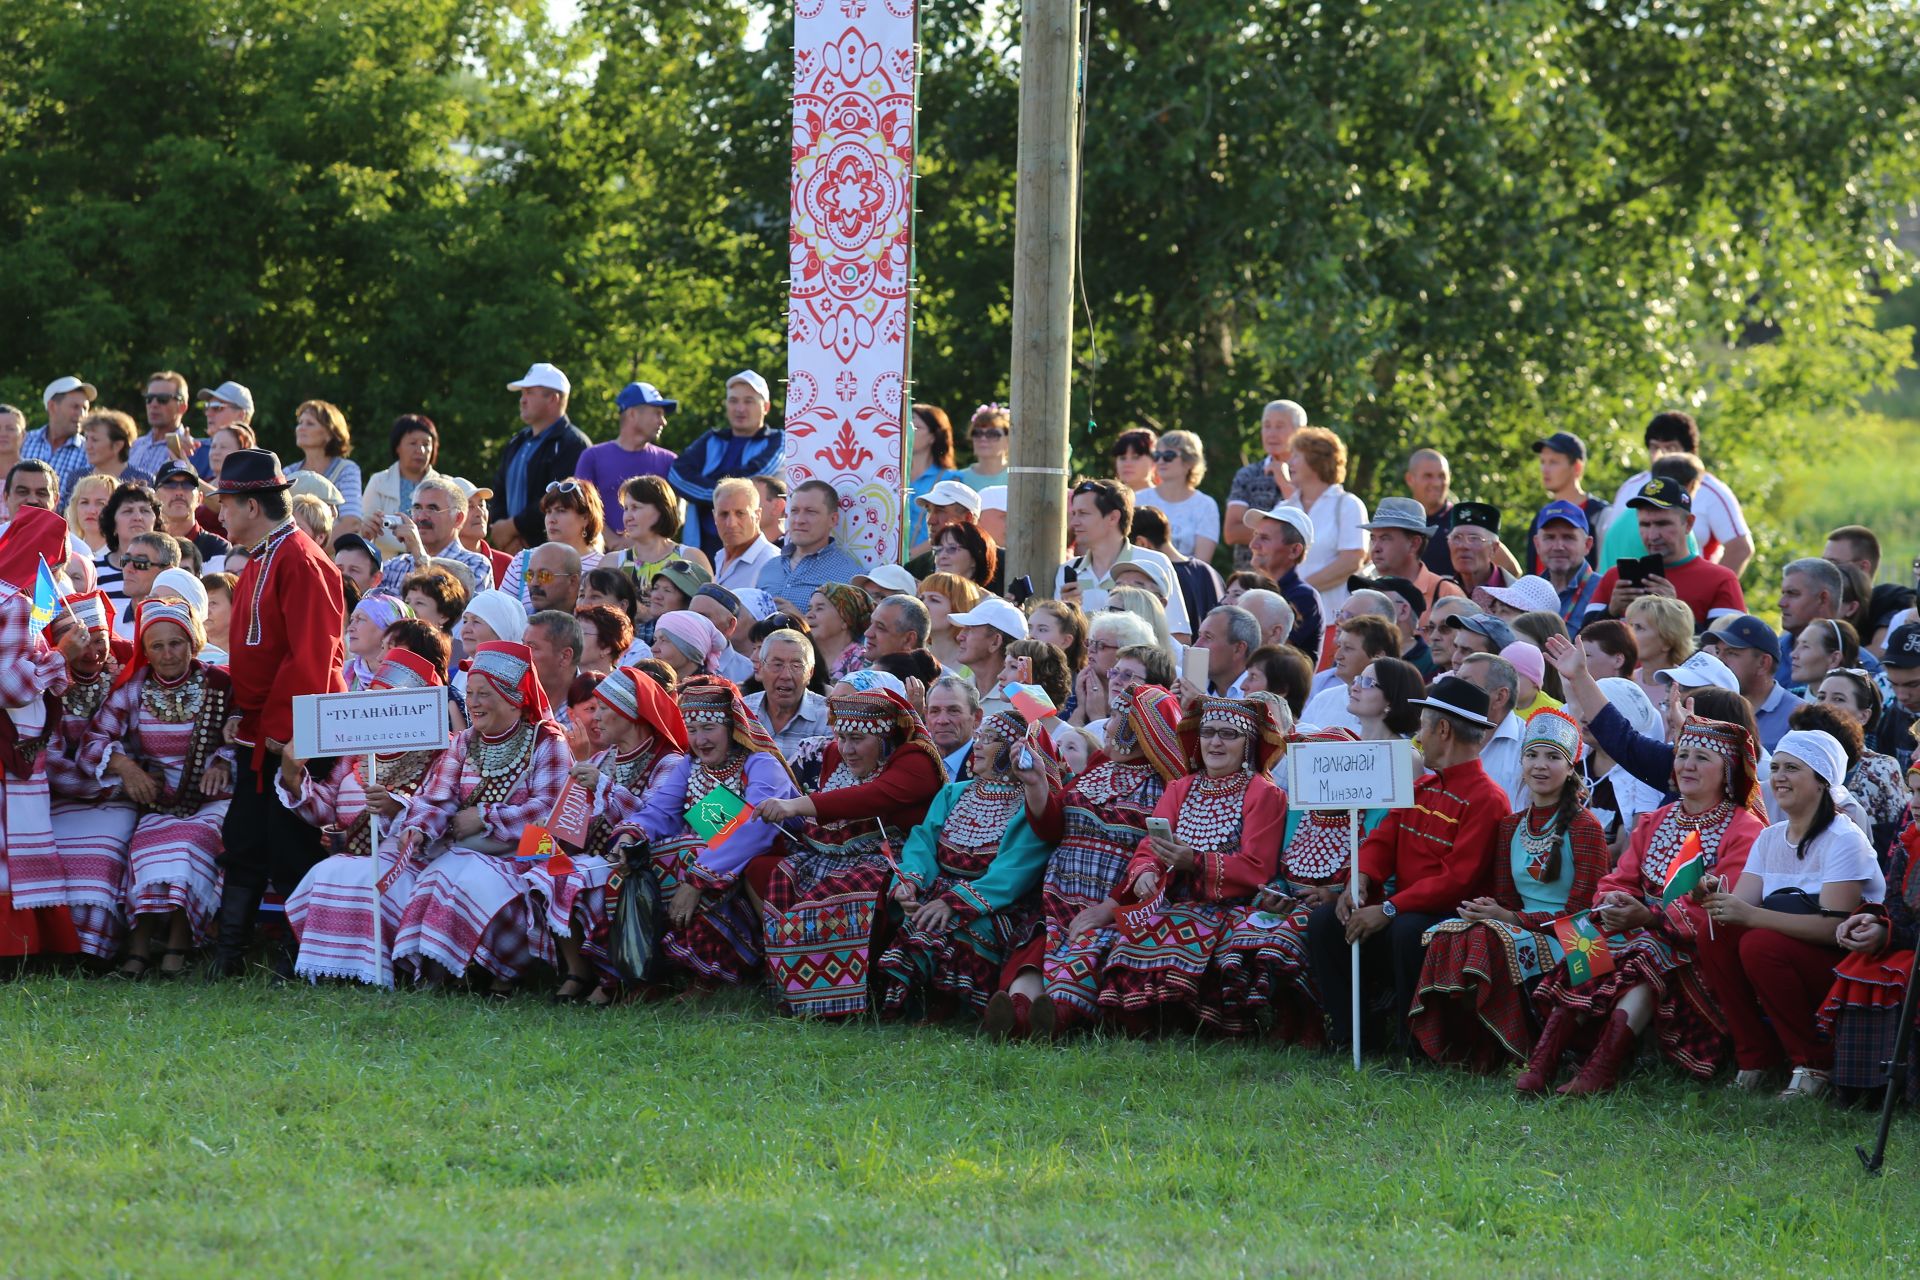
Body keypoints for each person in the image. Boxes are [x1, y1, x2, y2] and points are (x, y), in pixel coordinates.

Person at [1526, 717, 1767, 1095]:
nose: (1687, 765)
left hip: (1699, 950)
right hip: (1641, 930)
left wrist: (1650, 917)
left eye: (1702, 758)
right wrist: (1613, 902)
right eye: (1682, 754)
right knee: (1582, 931)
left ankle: (1603, 1067)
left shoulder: (1745, 829)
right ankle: (1544, 1060)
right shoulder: (1658, 819)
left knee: (1646, 949)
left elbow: (1721, 907)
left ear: (1727, 772)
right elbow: (1618, 879)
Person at [1306, 675, 1510, 1055]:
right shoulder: (1421, 788)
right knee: (1324, 922)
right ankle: (1352, 1037)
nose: (1419, 735)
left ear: (1443, 730)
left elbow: (1457, 881)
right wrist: (1359, 881)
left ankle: (1415, 1044)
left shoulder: (1488, 799)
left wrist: (1387, 908)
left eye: (1423, 726)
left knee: (1407, 931)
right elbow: (1381, 841)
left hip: (1448, 914)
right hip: (1402, 909)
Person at [210, 448, 347, 978]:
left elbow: (313, 657)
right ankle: (229, 958)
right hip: (259, 729)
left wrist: (285, 736)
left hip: (294, 733)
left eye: (225, 502)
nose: (219, 513)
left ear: (250, 504)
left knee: (292, 845)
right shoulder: (266, 556)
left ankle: (309, 958)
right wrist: (246, 719)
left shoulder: (302, 559)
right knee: (245, 839)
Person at [1409, 709, 1610, 1070]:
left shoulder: (1585, 827)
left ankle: (1512, 1049)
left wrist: (1508, 917)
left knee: (1488, 938)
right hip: (1522, 927)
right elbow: (1506, 897)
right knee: (1449, 935)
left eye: (1552, 757)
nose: (1540, 766)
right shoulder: (1511, 827)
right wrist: (1490, 910)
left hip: (1582, 940)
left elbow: (1585, 912)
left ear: (1570, 769)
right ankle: (1463, 1048)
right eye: (1532, 755)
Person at [984, 684, 1186, 1038]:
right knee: (1037, 948)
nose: (1107, 727)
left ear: (1138, 730)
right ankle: (1016, 1013)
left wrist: (1109, 908)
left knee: (1085, 949)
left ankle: (1055, 1018)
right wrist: (1035, 785)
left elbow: (1154, 858)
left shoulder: (1168, 788)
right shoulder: (1096, 768)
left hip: (1116, 902)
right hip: (1061, 892)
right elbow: (1053, 828)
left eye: (1118, 719)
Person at [1693, 730, 1883, 1100]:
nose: (1778, 776)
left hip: (1843, 964)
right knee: (1714, 932)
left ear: (1821, 781)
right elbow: (1739, 908)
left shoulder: (1843, 837)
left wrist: (1750, 916)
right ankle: (1754, 1057)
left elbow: (1834, 928)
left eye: (1792, 768)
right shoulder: (1770, 837)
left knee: (1759, 944)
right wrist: (1715, 896)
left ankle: (1815, 1062)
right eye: (1776, 766)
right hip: (1786, 951)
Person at [389, 642, 571, 995]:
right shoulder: (464, 742)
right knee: (438, 876)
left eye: (483, 694)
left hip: (529, 853)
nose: (472, 702)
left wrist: (486, 817)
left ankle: (491, 970)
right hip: (471, 850)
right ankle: (440, 975)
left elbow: (551, 809)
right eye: (469, 693)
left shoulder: (546, 740)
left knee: (470, 877)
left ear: (512, 697)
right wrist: (418, 828)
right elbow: (437, 798)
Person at [753, 688, 947, 1018]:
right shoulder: (688, 766)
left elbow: (866, 798)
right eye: (841, 737)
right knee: (755, 869)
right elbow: (739, 825)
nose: (847, 749)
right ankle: (774, 982)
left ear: (886, 738)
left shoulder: (915, 761)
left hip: (889, 860)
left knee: (845, 886)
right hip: (810, 854)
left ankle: (834, 999)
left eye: (857, 739)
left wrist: (790, 807)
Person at [77, 600, 234, 977]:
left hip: (212, 801)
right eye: (157, 646)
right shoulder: (133, 691)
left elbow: (247, 732)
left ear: (194, 641)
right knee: (144, 846)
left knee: (190, 841)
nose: (167, 654)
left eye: (176, 643)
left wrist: (224, 760)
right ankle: (140, 945)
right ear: (145, 651)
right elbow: (91, 743)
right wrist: (124, 765)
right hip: (160, 801)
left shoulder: (221, 683)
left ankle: (178, 941)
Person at [279, 647, 451, 986]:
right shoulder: (357, 748)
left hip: (411, 859)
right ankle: (329, 972)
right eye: (372, 699)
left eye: (386, 702)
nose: (375, 712)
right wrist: (292, 775)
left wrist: (396, 806)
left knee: (359, 877)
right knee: (328, 872)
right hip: (354, 854)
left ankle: (381, 972)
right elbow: (323, 809)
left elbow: (441, 806)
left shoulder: (442, 749)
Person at [873, 703, 1058, 1018]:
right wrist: (910, 883)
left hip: (996, 903)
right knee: (916, 915)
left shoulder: (1025, 806)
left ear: (1011, 751)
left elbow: (1012, 875)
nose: (979, 745)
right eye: (980, 737)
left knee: (961, 925)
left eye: (988, 739)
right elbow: (923, 842)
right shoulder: (953, 793)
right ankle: (911, 1000)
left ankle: (952, 1005)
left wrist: (953, 903)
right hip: (941, 888)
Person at [614, 676, 798, 989]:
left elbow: (755, 827)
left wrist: (698, 877)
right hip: (716, 863)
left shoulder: (761, 763)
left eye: (709, 728)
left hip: (765, 862)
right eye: (693, 730)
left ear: (733, 728)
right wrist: (630, 835)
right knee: (641, 862)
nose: (700, 740)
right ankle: (650, 970)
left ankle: (711, 972)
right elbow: (660, 811)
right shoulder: (690, 766)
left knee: (689, 851)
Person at [535, 664, 689, 1004]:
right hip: (599, 855)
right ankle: (578, 970)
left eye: (604, 708)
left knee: (569, 877)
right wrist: (556, 826)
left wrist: (603, 787)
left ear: (630, 714)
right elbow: (573, 823)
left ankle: (612, 977)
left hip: (642, 863)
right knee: (537, 862)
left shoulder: (670, 761)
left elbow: (657, 820)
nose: (596, 718)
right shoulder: (604, 757)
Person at [0, 508, 89, 960]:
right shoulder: (15, 601)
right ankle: (18, 947)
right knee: (15, 846)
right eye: (55, 564)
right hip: (11, 742)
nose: (56, 575)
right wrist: (61, 654)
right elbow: (10, 685)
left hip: (14, 741)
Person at [1605, 410, 1753, 576]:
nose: (1661, 455)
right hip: (1627, 591)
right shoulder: (1630, 487)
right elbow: (1611, 543)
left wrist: (1712, 589)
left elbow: (1740, 548)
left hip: (1686, 594)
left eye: (1670, 447)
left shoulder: (1711, 490)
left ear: (1689, 450)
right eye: (1655, 447)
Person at [1586, 478, 1747, 628]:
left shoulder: (1721, 580)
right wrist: (1610, 612)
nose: (1652, 535)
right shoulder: (1614, 578)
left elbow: (1728, 654)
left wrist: (1675, 611)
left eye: (1663, 524)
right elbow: (1581, 646)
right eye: (1645, 525)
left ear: (1689, 523)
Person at [1056, 479, 1191, 640]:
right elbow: (1060, 644)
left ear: (1113, 517)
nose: (1074, 522)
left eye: (1083, 514)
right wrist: (1070, 615)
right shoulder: (1067, 570)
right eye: (1074, 514)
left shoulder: (1155, 562)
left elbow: (1179, 635)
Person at [668, 370, 784, 557]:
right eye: (733, 401)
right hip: (700, 547)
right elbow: (677, 475)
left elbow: (754, 476)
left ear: (766, 407)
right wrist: (722, 493)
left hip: (753, 550)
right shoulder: (711, 439)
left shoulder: (779, 440)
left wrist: (703, 486)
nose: (740, 408)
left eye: (749, 401)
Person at [490, 363, 591, 554]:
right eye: (522, 394)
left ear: (553, 399)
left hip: (556, 556)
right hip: (512, 552)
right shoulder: (517, 442)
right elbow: (499, 489)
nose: (522, 400)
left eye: (529, 393)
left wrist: (514, 527)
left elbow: (561, 497)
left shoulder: (573, 444)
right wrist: (500, 528)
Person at [1808, 669, 1907, 851]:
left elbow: (1897, 839)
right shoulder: (1799, 760)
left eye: (1838, 699)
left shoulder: (1881, 768)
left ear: (1863, 716)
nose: (1825, 706)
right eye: (1821, 697)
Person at [576, 382, 679, 550]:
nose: (663, 421)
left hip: (654, 561)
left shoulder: (670, 461)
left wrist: (636, 542)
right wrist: (613, 542)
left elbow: (677, 511)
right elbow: (580, 507)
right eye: (657, 413)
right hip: (601, 560)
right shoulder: (592, 456)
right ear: (632, 413)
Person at [1281, 427, 1368, 614]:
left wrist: (1297, 591)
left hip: (1333, 618)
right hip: (1285, 618)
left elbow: (1352, 561)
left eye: (1296, 456)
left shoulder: (1348, 505)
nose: (1289, 462)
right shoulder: (1283, 509)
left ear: (1316, 461)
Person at [372, 476, 492, 598]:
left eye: (432, 509)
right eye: (417, 508)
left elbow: (446, 610)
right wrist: (366, 539)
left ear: (458, 519)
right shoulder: (397, 564)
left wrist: (420, 556)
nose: (421, 517)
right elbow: (358, 595)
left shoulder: (475, 564)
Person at [1697, 614, 1801, 751]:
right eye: (1718, 651)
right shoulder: (1709, 706)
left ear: (1763, 663)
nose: (1719, 660)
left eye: (1731, 653)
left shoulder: (1798, 715)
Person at [757, 479, 863, 613]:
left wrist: (801, 622)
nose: (799, 520)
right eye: (794, 511)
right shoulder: (769, 567)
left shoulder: (851, 577)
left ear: (833, 519)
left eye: (810, 511)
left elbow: (854, 633)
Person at [1224, 399, 1305, 568]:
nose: (1271, 433)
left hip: (1296, 577)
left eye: (1280, 426)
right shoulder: (1247, 475)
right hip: (1249, 580)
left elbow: (1312, 528)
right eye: (1266, 426)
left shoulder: (1310, 476)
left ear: (1300, 432)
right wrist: (1284, 535)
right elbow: (1231, 533)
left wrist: (1284, 482)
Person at [1242, 503, 1323, 658]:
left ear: (1295, 550)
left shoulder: (1304, 597)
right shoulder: (1253, 589)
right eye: (1255, 535)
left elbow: (1268, 656)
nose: (1253, 545)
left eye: (1264, 538)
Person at [357, 414, 442, 559]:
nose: (420, 450)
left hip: (432, 565)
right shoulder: (378, 481)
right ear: (397, 446)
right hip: (385, 565)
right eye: (413, 443)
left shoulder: (444, 486)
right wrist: (367, 529)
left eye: (426, 444)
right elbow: (363, 530)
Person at [1300, 616, 1400, 734]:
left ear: (1378, 656)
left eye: (1348, 648)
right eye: (1339, 646)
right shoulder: (1324, 699)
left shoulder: (1395, 707)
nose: (1338, 656)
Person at [278, 400, 364, 537]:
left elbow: (351, 522)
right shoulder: (288, 472)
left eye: (310, 423)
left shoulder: (346, 470)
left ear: (329, 433)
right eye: (300, 422)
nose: (301, 428)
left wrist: (315, 551)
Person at [1360, 497, 1462, 612]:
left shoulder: (1446, 594)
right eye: (1373, 539)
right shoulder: (1365, 594)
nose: (1375, 548)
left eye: (1385, 538)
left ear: (1414, 544)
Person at [1525, 432, 1607, 572]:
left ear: (1577, 467)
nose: (1545, 469)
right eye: (1542, 462)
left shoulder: (1601, 516)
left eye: (1553, 462)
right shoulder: (1540, 518)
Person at [604, 474, 710, 582]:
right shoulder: (612, 564)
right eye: (626, 508)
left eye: (635, 507)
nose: (628, 517)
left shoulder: (691, 558)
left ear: (661, 510)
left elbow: (709, 598)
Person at [1134, 430, 1219, 561]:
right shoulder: (1138, 499)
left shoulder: (1206, 505)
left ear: (1189, 462)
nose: (1161, 461)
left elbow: (1201, 564)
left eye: (1168, 455)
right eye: (1157, 455)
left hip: (1185, 579)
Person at [743, 629, 830, 756]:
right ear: (761, 668)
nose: (786, 675)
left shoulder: (827, 717)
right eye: (777, 664)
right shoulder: (742, 711)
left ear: (810, 673)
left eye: (796, 666)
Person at [949, 597, 1027, 709]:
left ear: (995, 642)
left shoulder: (1022, 702)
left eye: (970, 629)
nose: (959, 637)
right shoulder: (955, 691)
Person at [1531, 500, 1602, 623]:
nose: (1558, 546)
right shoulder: (1527, 593)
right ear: (1537, 544)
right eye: (1549, 537)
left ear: (1587, 545)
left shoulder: (1604, 592)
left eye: (1568, 537)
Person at [24, 375, 94, 499]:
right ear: (52, 407)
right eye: (75, 407)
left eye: (85, 408)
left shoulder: (89, 452)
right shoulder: (24, 441)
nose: (82, 414)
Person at [128, 371, 207, 480]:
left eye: (163, 399)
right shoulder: (135, 445)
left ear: (182, 407)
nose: (154, 404)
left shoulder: (192, 450)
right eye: (149, 398)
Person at [154, 461, 230, 572]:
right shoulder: (144, 546)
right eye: (170, 484)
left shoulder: (218, 548)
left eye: (187, 485)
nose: (179, 492)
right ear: (155, 497)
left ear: (200, 499)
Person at [906, 404, 961, 555]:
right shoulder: (890, 476)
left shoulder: (952, 479)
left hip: (930, 561)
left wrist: (911, 555)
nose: (908, 431)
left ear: (933, 436)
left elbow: (954, 525)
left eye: (915, 427)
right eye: (905, 425)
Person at [1625, 594, 1695, 709]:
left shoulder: (1686, 690)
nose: (1628, 633)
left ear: (1667, 641)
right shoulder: (1624, 682)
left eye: (1639, 627)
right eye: (1629, 626)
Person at [709, 476, 778, 590]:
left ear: (757, 515)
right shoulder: (720, 557)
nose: (731, 523)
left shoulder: (772, 563)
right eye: (724, 514)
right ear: (714, 516)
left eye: (740, 513)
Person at [803, 582, 872, 682]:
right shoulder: (804, 655)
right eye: (809, 608)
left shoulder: (861, 660)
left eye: (819, 608)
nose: (809, 615)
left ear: (845, 620)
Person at [919, 572, 985, 674]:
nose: (922, 605)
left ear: (958, 609)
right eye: (921, 599)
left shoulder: (976, 666)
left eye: (934, 600)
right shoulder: (913, 659)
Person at [1444, 503, 1514, 595]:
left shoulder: (1516, 593)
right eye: (1457, 537)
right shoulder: (1439, 591)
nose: (1463, 546)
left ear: (1493, 548)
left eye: (1474, 538)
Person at [80, 409, 153, 487]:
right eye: (86, 439)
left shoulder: (142, 480)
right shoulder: (77, 478)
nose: (87, 446)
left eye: (95, 440)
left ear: (118, 445)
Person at [933, 519, 1000, 595]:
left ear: (975, 558)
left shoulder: (992, 605)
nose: (942, 556)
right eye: (939, 550)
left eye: (952, 549)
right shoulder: (924, 598)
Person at [867, 593, 934, 664]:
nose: (868, 633)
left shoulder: (937, 674)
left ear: (908, 640)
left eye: (880, 627)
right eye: (871, 623)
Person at [956, 403, 1010, 492]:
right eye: (977, 433)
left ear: (1008, 440)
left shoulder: (1020, 477)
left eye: (992, 434)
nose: (983, 438)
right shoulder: (958, 480)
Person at [64, 472, 115, 557]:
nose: (91, 511)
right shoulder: (66, 552)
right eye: (84, 502)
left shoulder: (125, 556)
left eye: (100, 503)